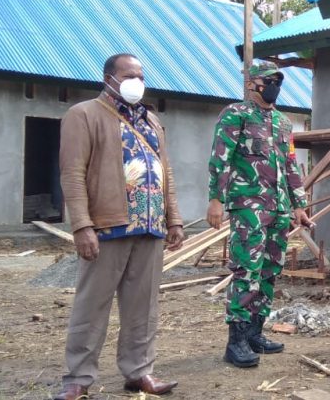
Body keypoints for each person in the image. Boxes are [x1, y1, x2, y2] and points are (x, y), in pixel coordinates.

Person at [53, 53, 184, 400]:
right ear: (108, 78)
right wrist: (81, 225)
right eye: (129, 75)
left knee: (143, 306)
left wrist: (174, 219)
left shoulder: (152, 121)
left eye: (141, 76)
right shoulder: (83, 114)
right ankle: (78, 378)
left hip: (150, 226)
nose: (136, 82)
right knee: (92, 305)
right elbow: (72, 172)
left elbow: (164, 172)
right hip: (107, 226)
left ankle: (139, 372)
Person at [207, 61, 312, 368]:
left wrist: (299, 205)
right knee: (246, 270)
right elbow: (220, 159)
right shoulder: (235, 114)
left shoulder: (282, 123)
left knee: (269, 270)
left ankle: (255, 332)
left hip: (278, 207)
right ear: (253, 84)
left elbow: (291, 166)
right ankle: (236, 340)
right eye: (269, 81)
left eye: (278, 81)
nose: (274, 86)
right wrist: (216, 199)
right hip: (248, 206)